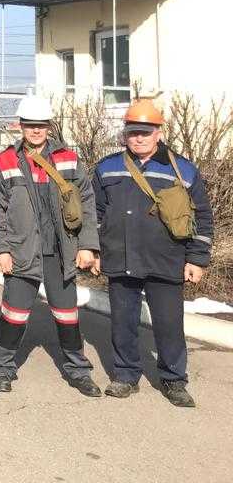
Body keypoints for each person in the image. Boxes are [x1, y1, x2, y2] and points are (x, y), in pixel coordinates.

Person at [93, 99, 214, 407]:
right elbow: (94, 213)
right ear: (125, 134)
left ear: (158, 133)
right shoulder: (107, 167)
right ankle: (125, 376)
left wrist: (197, 258)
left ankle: (174, 380)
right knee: (123, 321)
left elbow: (202, 216)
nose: (138, 138)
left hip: (166, 259)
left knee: (169, 324)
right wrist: (94, 250)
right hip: (121, 257)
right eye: (133, 132)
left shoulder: (182, 169)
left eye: (145, 132)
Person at [0, 95, 101, 397]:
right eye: (30, 125)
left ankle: (78, 371)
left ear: (49, 126)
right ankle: (2, 369)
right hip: (21, 250)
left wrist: (87, 245)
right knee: (14, 313)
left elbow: (87, 203)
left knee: (67, 315)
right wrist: (1, 249)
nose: (36, 130)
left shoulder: (68, 159)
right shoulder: (3, 162)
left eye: (41, 125)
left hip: (60, 252)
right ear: (20, 126)